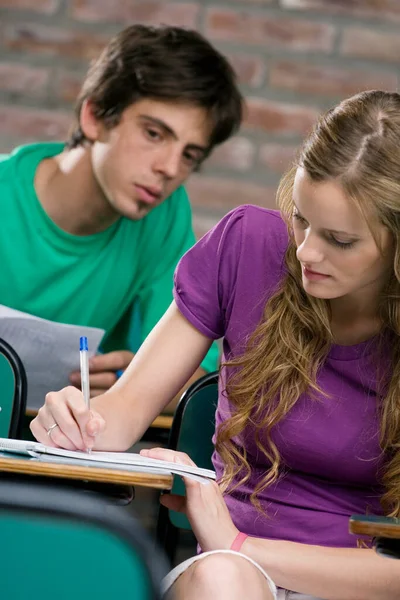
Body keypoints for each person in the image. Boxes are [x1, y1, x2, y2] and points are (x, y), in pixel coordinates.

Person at [31, 89, 400, 599]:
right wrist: (78, 424)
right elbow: (124, 411)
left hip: (353, 586)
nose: (307, 250)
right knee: (220, 580)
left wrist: (237, 540)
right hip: (228, 576)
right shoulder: (246, 244)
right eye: (300, 217)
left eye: (339, 240)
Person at [0, 24, 243, 405]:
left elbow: (194, 378)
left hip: (53, 448)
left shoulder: (163, 215)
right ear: (95, 116)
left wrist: (127, 380)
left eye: (189, 155)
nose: (170, 168)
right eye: (154, 134)